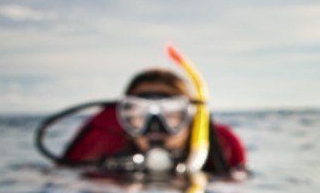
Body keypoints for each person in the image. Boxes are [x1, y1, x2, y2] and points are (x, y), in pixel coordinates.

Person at [60, 68, 247, 177]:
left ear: (191, 119)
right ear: (124, 119)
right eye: (140, 113)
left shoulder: (221, 168)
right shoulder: (104, 170)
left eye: (172, 113)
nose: (155, 125)